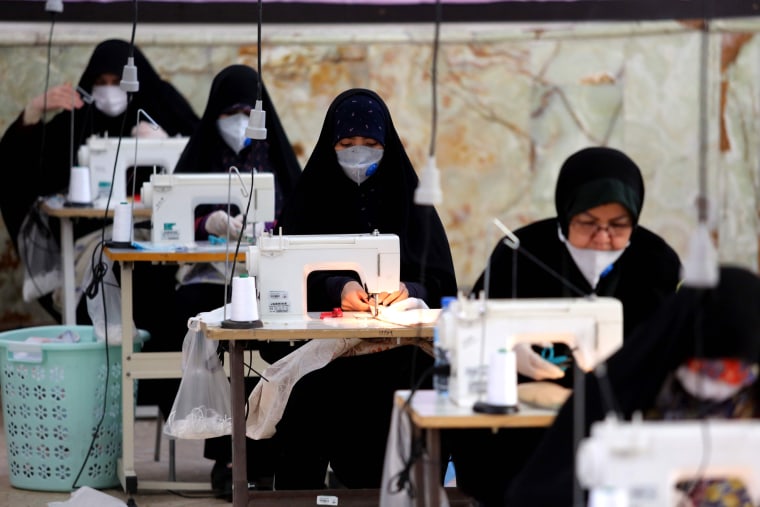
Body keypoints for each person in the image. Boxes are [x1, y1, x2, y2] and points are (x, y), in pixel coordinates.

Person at [445, 146, 683, 506]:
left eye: (618, 225)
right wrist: (506, 352)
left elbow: (664, 346)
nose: (603, 238)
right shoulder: (519, 253)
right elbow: (471, 327)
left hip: (618, 418)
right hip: (519, 424)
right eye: (588, 223)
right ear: (565, 211)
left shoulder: (656, 262)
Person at [250, 88, 458, 490]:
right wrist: (336, 287)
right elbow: (286, 277)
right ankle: (300, 495)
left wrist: (406, 289)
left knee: (425, 379)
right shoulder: (311, 197)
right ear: (331, 144)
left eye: (370, 144)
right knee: (309, 390)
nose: (358, 154)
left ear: (387, 145)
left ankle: (398, 484)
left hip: (400, 351)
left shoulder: (412, 201)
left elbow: (439, 281)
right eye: (347, 144)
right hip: (328, 352)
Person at [506, 265, 760, 505]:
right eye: (707, 368)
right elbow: (542, 489)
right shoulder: (623, 387)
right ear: (680, 344)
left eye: (736, 372)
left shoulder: (752, 398)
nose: (718, 380)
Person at [168, 64, 302, 496]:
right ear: (215, 113)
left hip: (267, 272)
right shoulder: (202, 153)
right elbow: (175, 211)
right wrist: (212, 220)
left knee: (272, 335)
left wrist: (271, 226)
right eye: (232, 110)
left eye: (249, 110)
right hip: (209, 271)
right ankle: (226, 456)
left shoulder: (274, 155)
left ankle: (264, 453)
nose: (241, 119)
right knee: (212, 326)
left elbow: (299, 215)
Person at [0, 38, 199, 325]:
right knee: (103, 265)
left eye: (118, 80)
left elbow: (204, 157)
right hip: (94, 239)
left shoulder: (162, 107)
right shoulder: (77, 121)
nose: (109, 89)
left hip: (163, 237)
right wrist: (32, 112)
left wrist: (167, 143)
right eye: (101, 81)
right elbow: (18, 169)